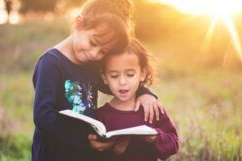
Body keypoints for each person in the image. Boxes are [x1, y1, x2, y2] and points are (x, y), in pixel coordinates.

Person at [32, 0, 164, 160]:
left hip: (83, 152)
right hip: (53, 153)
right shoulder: (51, 63)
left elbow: (115, 86)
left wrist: (144, 92)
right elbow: (43, 116)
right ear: (78, 23)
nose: (95, 54)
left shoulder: (91, 62)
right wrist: (84, 141)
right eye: (93, 42)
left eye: (104, 51)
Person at [94, 38, 179, 161]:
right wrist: (113, 151)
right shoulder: (101, 116)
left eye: (130, 74)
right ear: (105, 77)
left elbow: (173, 144)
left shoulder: (151, 108)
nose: (122, 82)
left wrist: (154, 137)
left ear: (143, 73)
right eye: (114, 76)